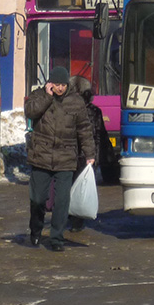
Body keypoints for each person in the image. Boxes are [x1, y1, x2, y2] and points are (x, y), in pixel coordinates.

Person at [25, 66, 95, 251]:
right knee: (38, 199)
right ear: (50, 84)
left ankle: (57, 238)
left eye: (63, 84)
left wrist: (89, 154)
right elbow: (30, 112)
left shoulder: (76, 102)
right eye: (56, 84)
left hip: (66, 158)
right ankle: (36, 230)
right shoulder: (38, 96)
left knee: (62, 202)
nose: (60, 88)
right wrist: (47, 97)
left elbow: (84, 129)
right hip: (41, 156)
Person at [66, 75, 107, 232]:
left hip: (70, 154)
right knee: (81, 188)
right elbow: (99, 135)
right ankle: (77, 219)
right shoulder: (95, 112)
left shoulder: (66, 110)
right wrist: (97, 156)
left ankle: (72, 216)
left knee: (69, 186)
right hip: (86, 156)